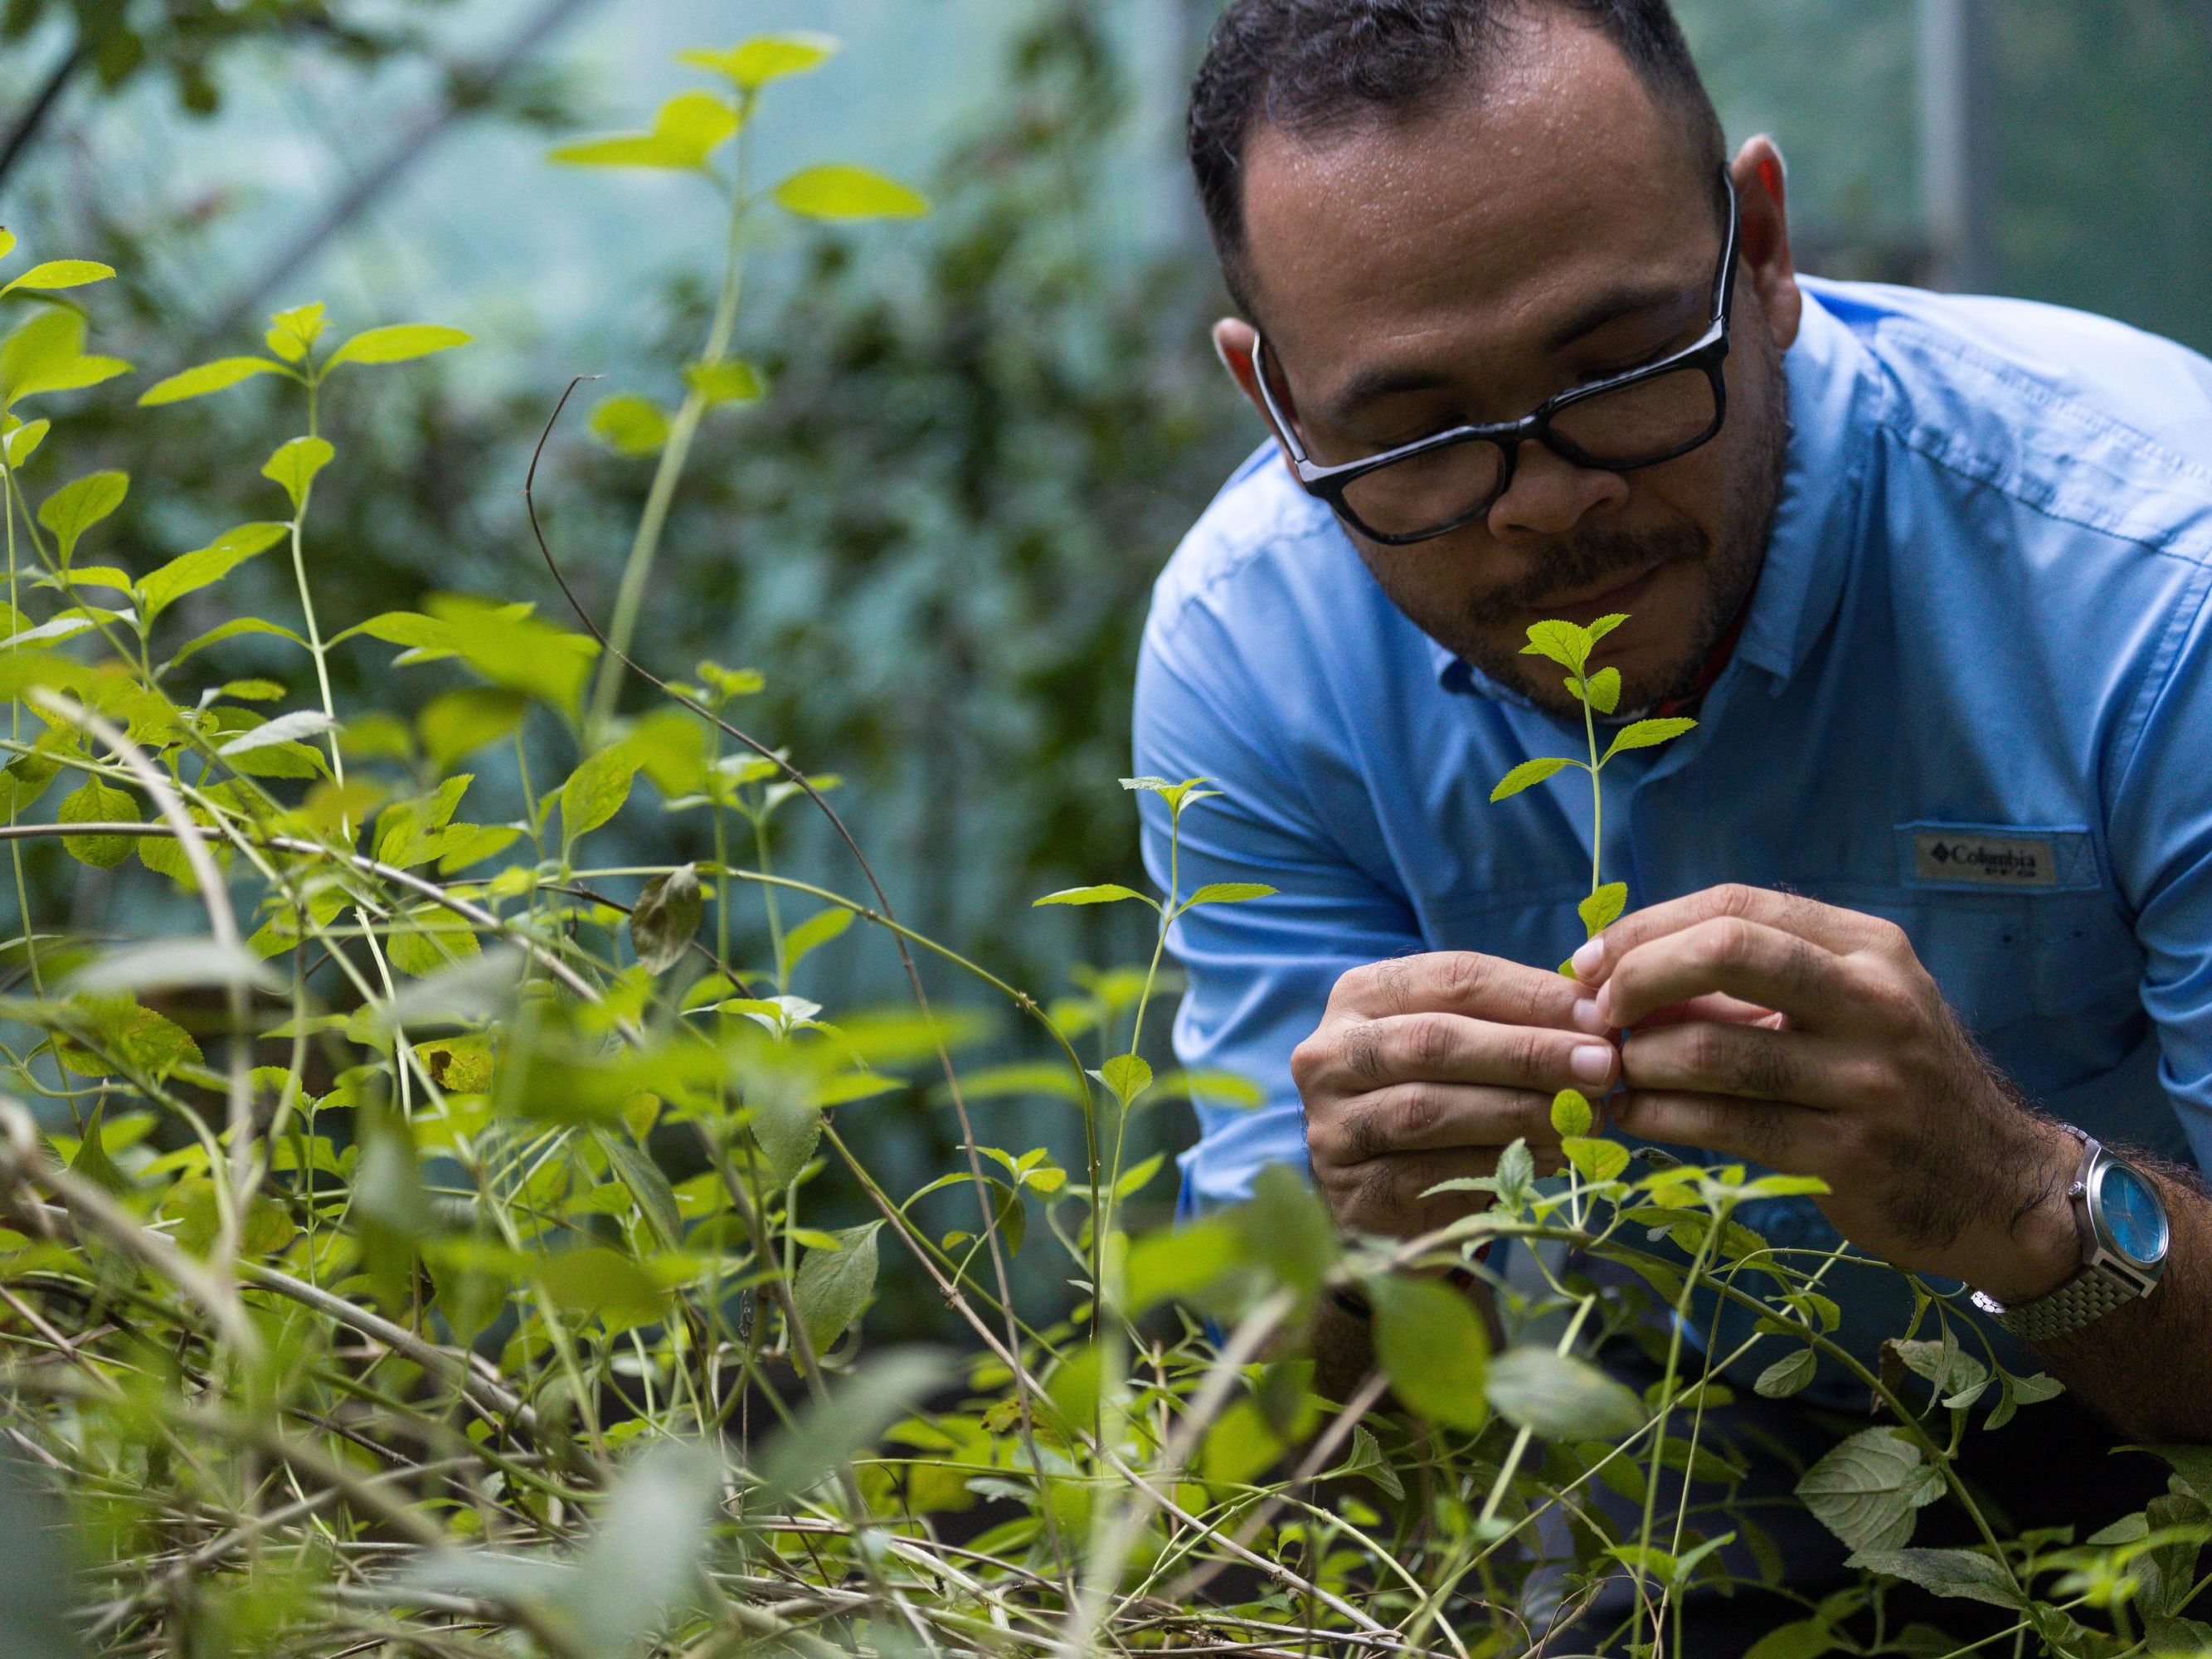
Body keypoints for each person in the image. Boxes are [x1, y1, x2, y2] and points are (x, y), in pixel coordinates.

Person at [1138, 0, 2212, 1637]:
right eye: (1416, 429)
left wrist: (2012, 1193)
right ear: (1274, 404)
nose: (1545, 500)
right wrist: (1368, 1250)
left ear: (1761, 251)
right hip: (1704, 1454)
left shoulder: (2152, 583)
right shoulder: (1253, 654)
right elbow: (1281, 1502)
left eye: (1617, 365)